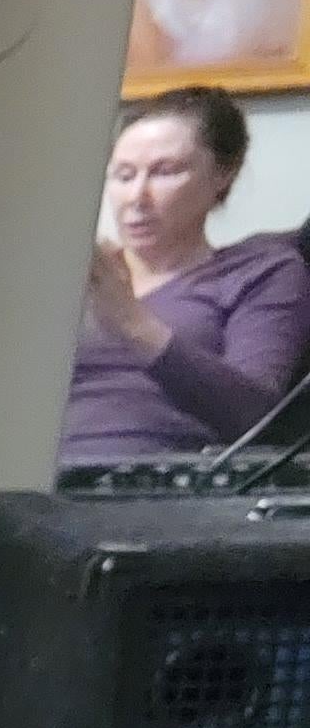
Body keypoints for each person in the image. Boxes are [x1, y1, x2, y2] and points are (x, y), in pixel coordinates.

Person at [62, 86, 310, 469]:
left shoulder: (260, 272)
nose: (137, 197)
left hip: (163, 492)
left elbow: (256, 418)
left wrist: (133, 324)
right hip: (35, 484)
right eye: (124, 176)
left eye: (165, 172)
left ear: (223, 175)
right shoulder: (73, 276)